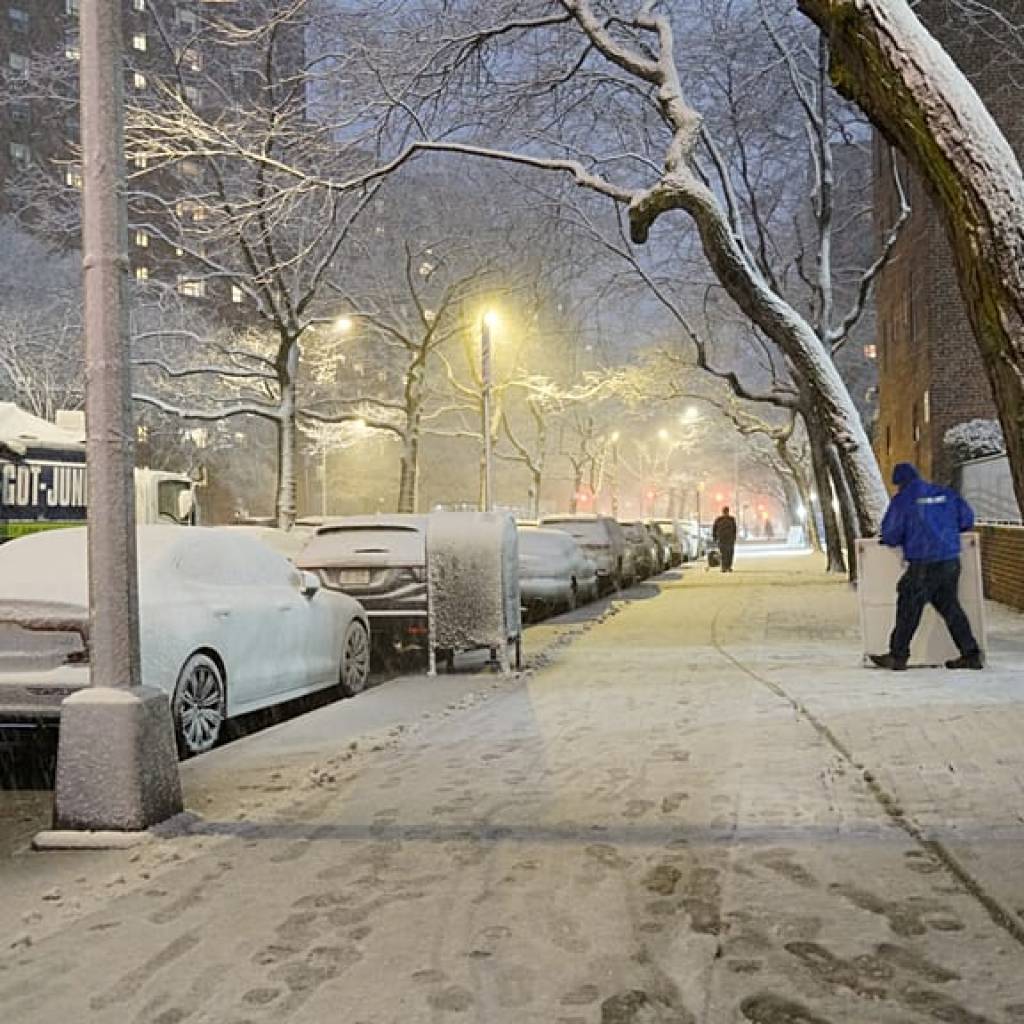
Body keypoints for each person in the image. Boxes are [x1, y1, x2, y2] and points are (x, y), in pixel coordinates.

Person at [870, 462, 983, 671]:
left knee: (908, 607)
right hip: (950, 560)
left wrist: (900, 538)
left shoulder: (903, 500)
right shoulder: (945, 493)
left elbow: (891, 534)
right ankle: (971, 654)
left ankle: (897, 655)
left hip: (923, 562)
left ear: (899, 483)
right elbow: (966, 519)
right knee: (951, 608)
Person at [712, 506, 737, 573]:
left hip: (723, 539)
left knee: (725, 553)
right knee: (728, 553)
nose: (726, 513)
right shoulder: (731, 519)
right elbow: (734, 529)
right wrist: (734, 538)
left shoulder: (719, 519)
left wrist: (715, 538)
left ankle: (725, 567)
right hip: (727, 539)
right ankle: (727, 567)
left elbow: (714, 529)